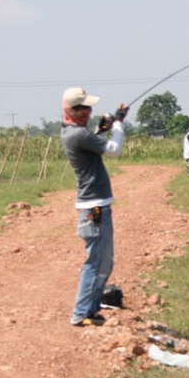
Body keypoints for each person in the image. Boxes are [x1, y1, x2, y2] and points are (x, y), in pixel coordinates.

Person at [60, 86, 128, 327]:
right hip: (94, 209)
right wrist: (119, 124)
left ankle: (91, 309)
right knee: (95, 262)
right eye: (86, 107)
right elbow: (114, 150)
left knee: (105, 261)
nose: (90, 110)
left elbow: (92, 143)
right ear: (73, 110)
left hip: (97, 206)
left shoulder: (76, 132)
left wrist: (101, 129)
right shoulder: (78, 135)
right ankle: (81, 313)